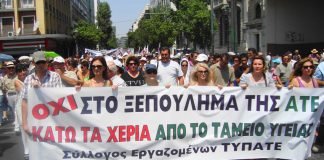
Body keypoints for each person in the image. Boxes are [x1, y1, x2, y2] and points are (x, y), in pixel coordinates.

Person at [21, 51, 63, 160]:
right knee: (38, 149)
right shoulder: (28, 79)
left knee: (53, 148)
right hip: (35, 120)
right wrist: (24, 123)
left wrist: (41, 90)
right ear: (34, 63)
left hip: (52, 119)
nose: (41, 65)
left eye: (43, 62)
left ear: (47, 63)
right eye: (38, 62)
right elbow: (24, 101)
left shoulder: (55, 77)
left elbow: (59, 98)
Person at [14, 63, 29, 159]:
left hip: (31, 106)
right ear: (17, 73)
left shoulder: (30, 79)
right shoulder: (16, 81)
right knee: (24, 128)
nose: (22, 73)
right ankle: (26, 150)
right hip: (20, 106)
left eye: (24, 70)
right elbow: (24, 90)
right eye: (20, 71)